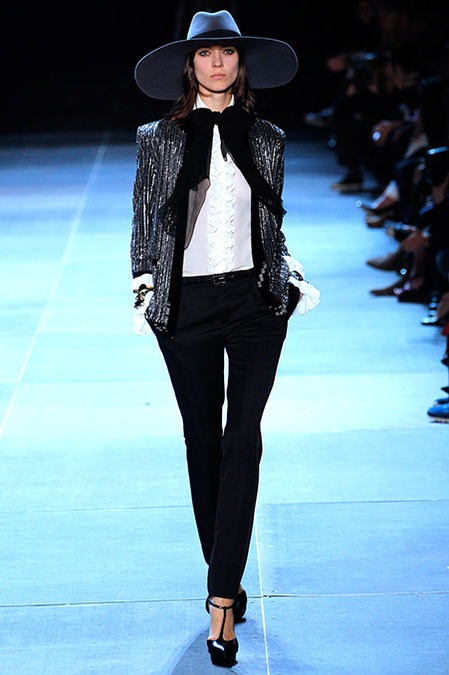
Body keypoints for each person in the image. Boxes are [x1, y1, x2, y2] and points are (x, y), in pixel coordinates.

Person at [130, 10, 319, 668]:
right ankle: (226, 567)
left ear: (242, 63)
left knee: (243, 438)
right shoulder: (157, 138)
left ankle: (220, 601)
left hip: (253, 302)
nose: (217, 63)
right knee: (202, 442)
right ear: (190, 64)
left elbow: (271, 219)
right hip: (184, 306)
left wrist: (287, 275)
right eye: (206, 53)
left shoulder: (266, 137)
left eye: (228, 52)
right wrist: (144, 287)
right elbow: (145, 222)